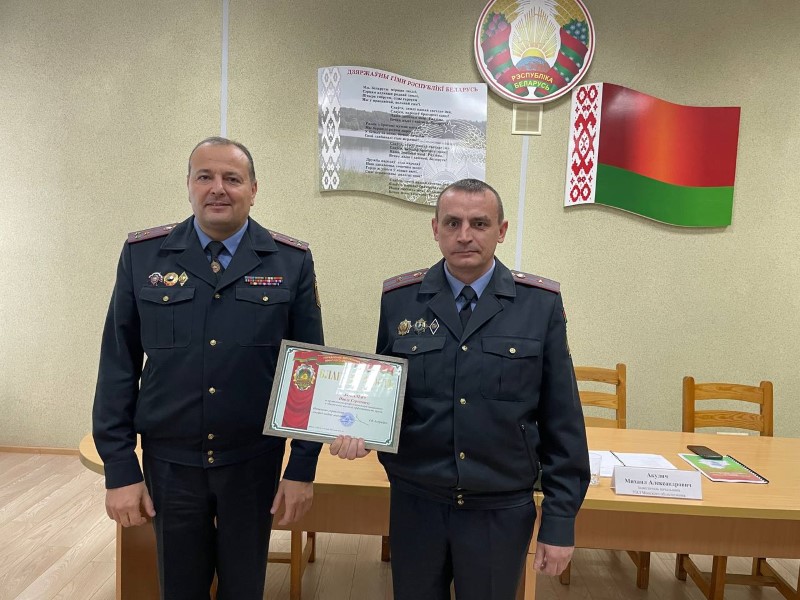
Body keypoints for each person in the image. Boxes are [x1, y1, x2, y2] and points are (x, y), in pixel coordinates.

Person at [330, 178, 589, 600]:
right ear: (436, 229)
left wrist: (560, 521)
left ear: (501, 230)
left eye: (479, 223)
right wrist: (356, 427)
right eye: (452, 223)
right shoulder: (401, 300)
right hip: (417, 503)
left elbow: (563, 420)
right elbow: (385, 396)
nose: (464, 235)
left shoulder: (538, 305)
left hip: (499, 509)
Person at [92, 137, 324, 599]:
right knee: (179, 587)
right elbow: (118, 364)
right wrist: (120, 467)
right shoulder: (144, 256)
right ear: (189, 185)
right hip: (170, 463)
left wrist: (301, 467)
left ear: (253, 190)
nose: (218, 188)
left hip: (252, 463)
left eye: (232, 178)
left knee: (245, 587)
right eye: (205, 177)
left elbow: (308, 371)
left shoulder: (290, 261)